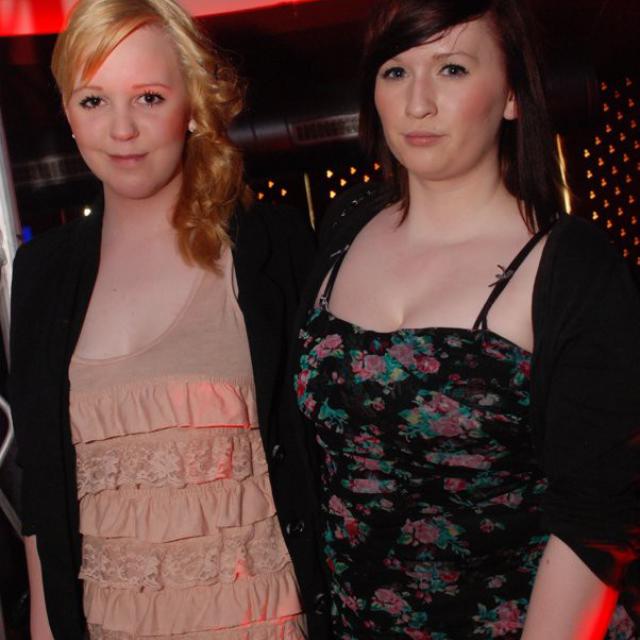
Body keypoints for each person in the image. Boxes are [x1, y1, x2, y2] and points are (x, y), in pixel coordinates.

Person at [290, 0, 640, 637]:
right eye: (396, 71)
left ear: (511, 96)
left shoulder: (570, 265)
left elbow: (595, 520)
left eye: (451, 69)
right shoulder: (346, 224)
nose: (417, 103)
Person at [9, 0, 330, 638]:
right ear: (68, 113)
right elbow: (42, 503)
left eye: (149, 97)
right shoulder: (41, 272)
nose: (121, 129)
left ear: (194, 106)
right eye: (93, 100)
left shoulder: (273, 247)